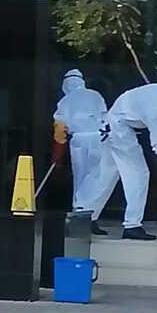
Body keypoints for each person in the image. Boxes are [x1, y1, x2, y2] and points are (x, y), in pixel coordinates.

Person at [81, 81, 157, 240]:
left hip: (111, 125)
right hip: (120, 131)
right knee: (139, 175)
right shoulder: (155, 111)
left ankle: (86, 218)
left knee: (107, 176)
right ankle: (132, 226)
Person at [53, 69, 108, 219]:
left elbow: (60, 129)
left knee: (80, 175)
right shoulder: (96, 95)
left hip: (78, 139)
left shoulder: (65, 101)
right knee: (95, 176)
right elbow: (105, 117)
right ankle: (90, 212)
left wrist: (57, 154)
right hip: (98, 138)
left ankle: (79, 209)